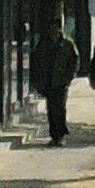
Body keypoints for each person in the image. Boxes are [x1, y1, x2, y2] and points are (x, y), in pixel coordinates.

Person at [32, 17, 80, 147]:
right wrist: (37, 79)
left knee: (60, 108)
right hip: (48, 81)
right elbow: (36, 61)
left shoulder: (67, 44)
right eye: (50, 29)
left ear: (59, 29)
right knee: (51, 110)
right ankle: (54, 135)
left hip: (61, 81)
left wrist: (70, 76)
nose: (53, 31)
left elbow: (74, 61)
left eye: (55, 28)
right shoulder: (43, 44)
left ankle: (61, 135)